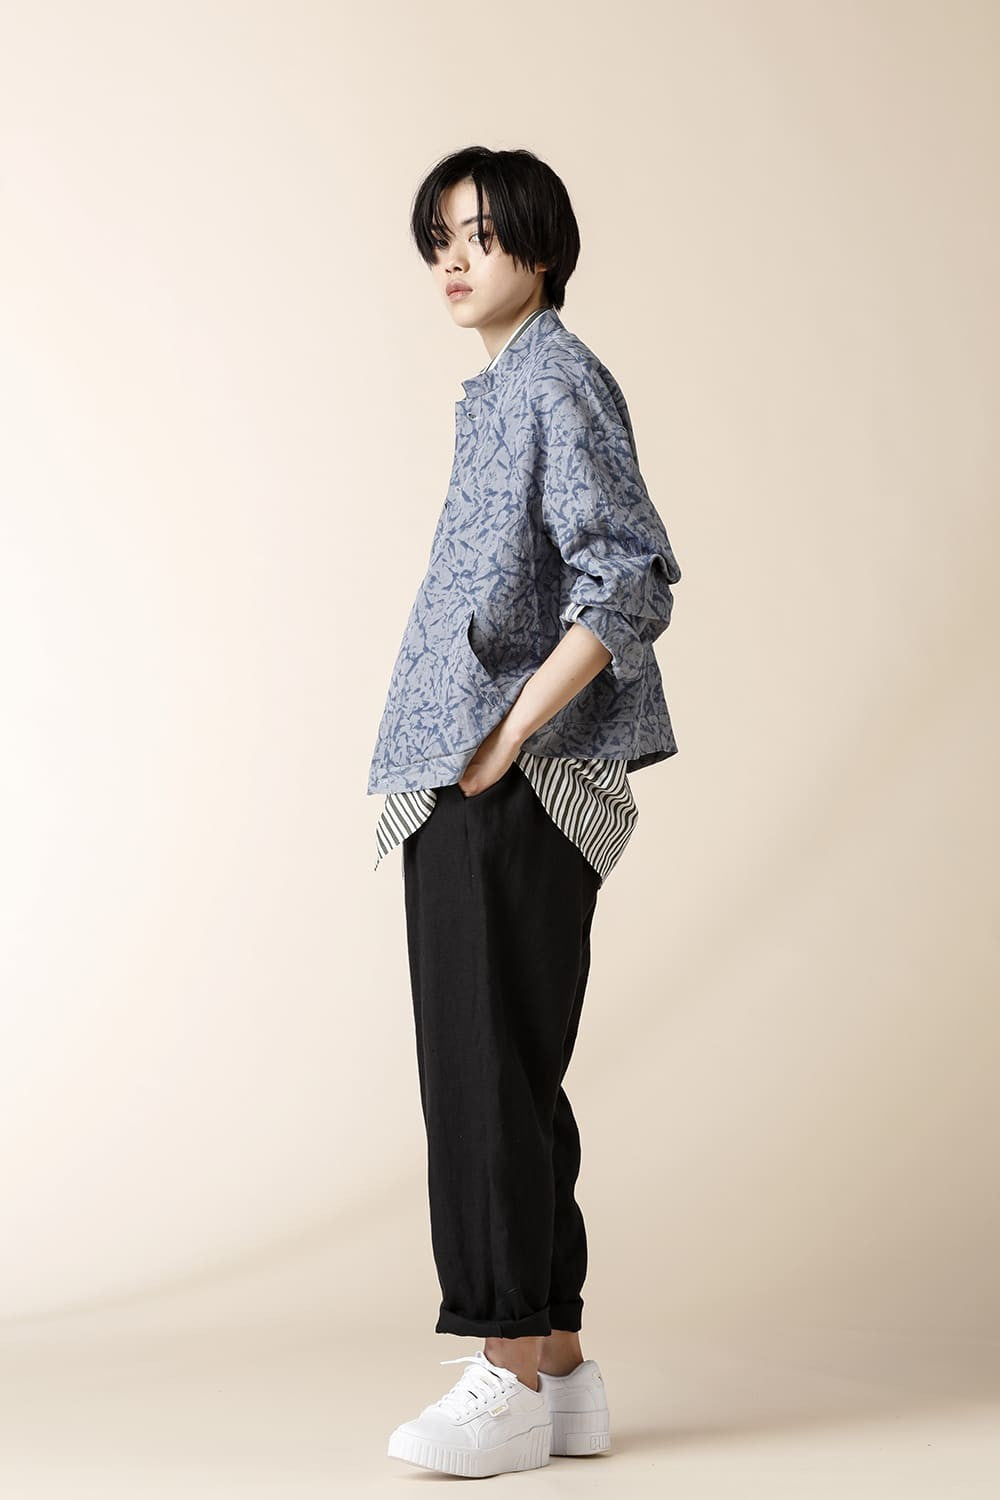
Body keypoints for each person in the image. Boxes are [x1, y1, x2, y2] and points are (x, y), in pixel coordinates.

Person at [368, 145, 682, 1478]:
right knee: (512, 1070)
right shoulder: (503, 389)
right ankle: (558, 1368)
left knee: (481, 1076)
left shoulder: (555, 377)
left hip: (505, 780)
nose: (454, 259)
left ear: (540, 249)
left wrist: (502, 739)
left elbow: (631, 580)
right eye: (440, 237)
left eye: (481, 235)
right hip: (478, 775)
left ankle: (500, 1371)